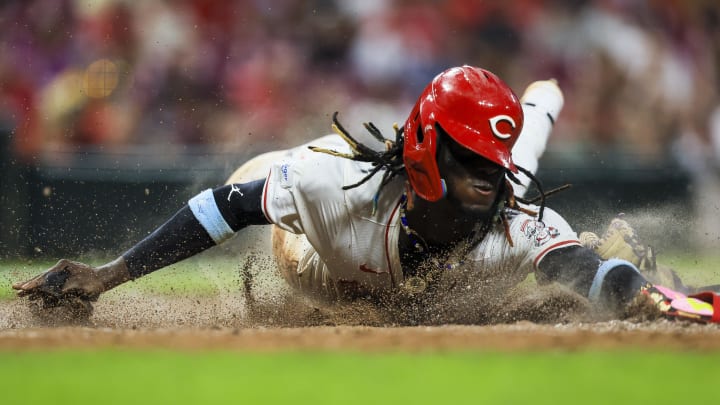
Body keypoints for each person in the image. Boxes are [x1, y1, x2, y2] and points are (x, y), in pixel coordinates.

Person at [12, 65, 719, 324]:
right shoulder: (328, 188)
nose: (490, 179)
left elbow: (585, 272)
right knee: (254, 179)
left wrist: (655, 296)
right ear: (428, 151)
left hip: (403, 241)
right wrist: (105, 277)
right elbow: (223, 209)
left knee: (534, 139)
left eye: (492, 163)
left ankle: (540, 102)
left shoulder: (517, 214)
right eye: (471, 160)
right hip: (312, 243)